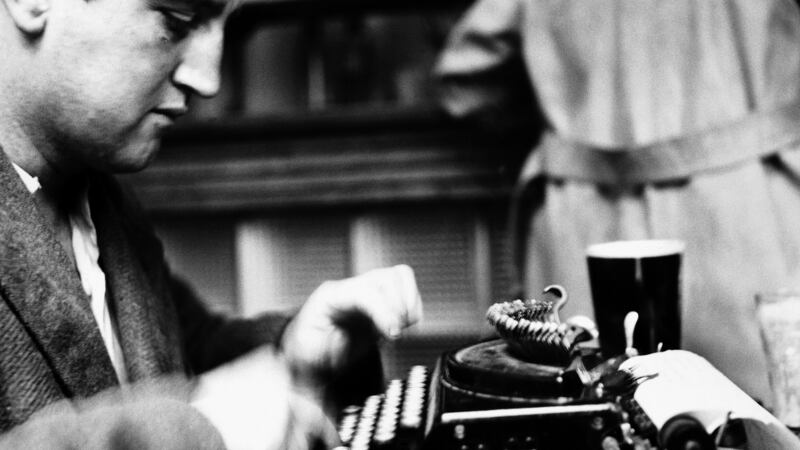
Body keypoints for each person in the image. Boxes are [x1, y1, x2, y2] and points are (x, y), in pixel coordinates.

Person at [0, 0, 422, 447]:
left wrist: (290, 355)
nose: (208, 80)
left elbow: (178, 362)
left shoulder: (106, 199)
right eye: (177, 20)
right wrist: (191, 433)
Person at [435, 0, 800, 404]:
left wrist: (567, 101)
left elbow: (467, 83)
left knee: (588, 414)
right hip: (748, 218)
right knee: (764, 418)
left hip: (589, 228)